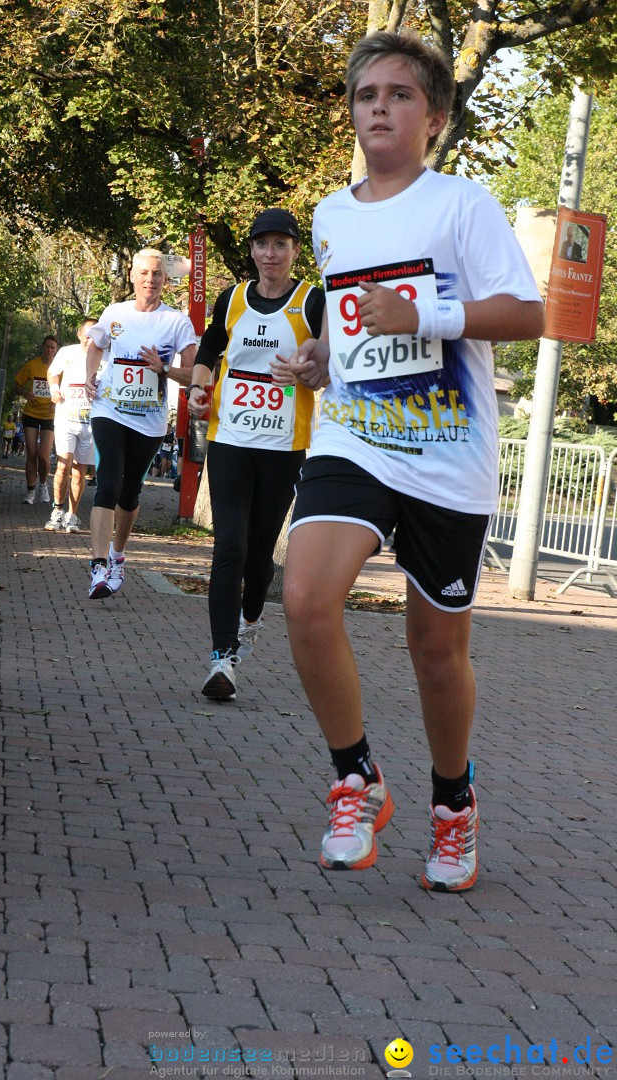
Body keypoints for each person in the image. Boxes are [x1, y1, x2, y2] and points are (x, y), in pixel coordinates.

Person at [279, 31, 544, 891]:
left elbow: (527, 313)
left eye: (398, 95)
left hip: (445, 450)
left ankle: (453, 803)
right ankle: (354, 775)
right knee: (307, 597)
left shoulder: (464, 206)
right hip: (354, 437)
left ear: (432, 117)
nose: (379, 108)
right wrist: (322, 357)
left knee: (436, 651)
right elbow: (349, 325)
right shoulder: (329, 215)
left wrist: (427, 319)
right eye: (366, 95)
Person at [186, 208, 325, 701]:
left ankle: (250, 617)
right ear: (251, 251)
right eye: (262, 245)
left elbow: (332, 370)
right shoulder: (233, 299)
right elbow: (207, 353)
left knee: (261, 552)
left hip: (285, 446)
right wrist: (200, 392)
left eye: (280, 245)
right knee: (229, 547)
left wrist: (305, 374)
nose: (271, 254)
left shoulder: (313, 303)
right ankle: (221, 657)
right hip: (230, 442)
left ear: (293, 251)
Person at [84, 249, 198, 599]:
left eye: (157, 274)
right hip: (110, 409)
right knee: (108, 485)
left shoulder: (176, 321)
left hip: (148, 419)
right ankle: (99, 567)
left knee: (130, 491)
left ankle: (118, 554)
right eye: (144, 273)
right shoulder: (114, 313)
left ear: (166, 279)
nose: (150, 279)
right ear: (133, 276)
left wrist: (164, 369)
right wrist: (90, 375)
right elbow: (96, 345)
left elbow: (195, 371)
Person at [44, 318, 98, 532]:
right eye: (87, 336)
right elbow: (52, 372)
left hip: (90, 423)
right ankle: (57, 511)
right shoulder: (67, 352)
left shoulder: (106, 356)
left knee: (80, 470)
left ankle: (72, 515)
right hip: (66, 417)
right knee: (63, 464)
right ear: (79, 335)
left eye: (94, 337)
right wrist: (54, 390)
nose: (90, 341)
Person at [13, 336, 59, 503]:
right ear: (42, 347)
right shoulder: (32, 365)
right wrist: (25, 393)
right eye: (47, 347)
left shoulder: (60, 368)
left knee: (44, 455)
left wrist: (58, 401)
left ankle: (44, 485)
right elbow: (17, 384)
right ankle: (31, 490)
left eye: (52, 348)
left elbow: (67, 388)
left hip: (50, 415)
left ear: (56, 350)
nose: (49, 350)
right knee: (31, 453)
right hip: (31, 413)